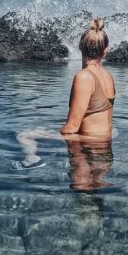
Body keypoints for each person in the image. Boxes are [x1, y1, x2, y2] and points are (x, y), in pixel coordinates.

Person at [15, 18, 116, 183]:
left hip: (88, 147)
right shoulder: (109, 77)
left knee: (25, 136)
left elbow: (72, 128)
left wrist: (46, 135)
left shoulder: (84, 77)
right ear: (105, 51)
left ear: (80, 47)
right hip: (106, 147)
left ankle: (33, 161)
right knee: (94, 196)